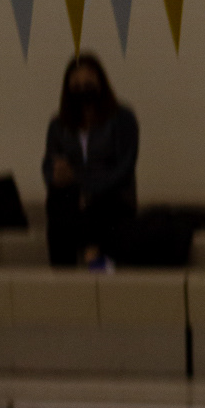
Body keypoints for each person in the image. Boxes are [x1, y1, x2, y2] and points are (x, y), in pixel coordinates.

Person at [43, 53, 139, 268]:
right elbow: (48, 166)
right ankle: (64, 271)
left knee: (94, 208)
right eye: (76, 84)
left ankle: (94, 260)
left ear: (100, 82)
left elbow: (124, 169)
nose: (83, 88)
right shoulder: (58, 125)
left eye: (88, 82)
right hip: (73, 202)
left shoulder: (122, 118)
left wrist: (86, 187)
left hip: (113, 200)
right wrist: (57, 175)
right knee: (58, 200)